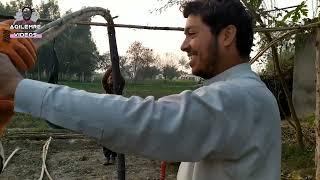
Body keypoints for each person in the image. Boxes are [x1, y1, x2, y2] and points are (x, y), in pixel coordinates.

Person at [0, 0, 281, 179]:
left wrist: (17, 87)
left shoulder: (242, 98)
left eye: (192, 34)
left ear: (228, 35)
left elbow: (143, 120)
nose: (184, 46)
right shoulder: (236, 95)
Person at [101, 67, 125, 165]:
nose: (110, 78)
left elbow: (122, 81)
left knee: (115, 136)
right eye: (109, 77)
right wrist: (110, 69)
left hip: (116, 115)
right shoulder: (107, 89)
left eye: (112, 77)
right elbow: (103, 80)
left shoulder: (118, 89)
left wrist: (116, 70)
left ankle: (114, 157)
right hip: (106, 115)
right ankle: (107, 157)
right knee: (105, 136)